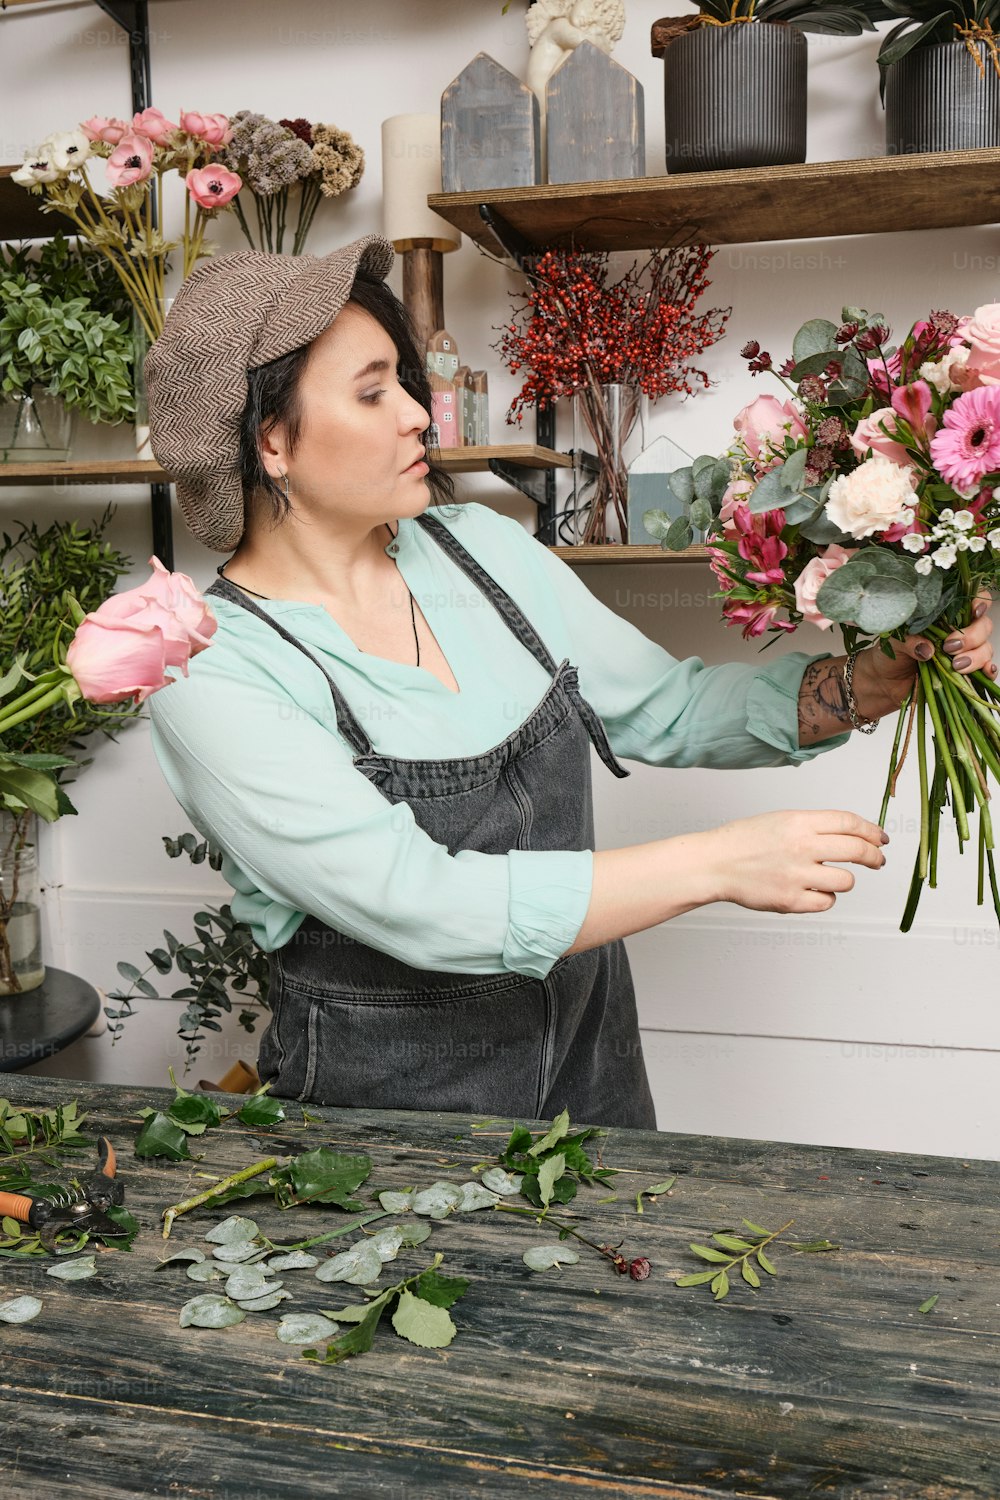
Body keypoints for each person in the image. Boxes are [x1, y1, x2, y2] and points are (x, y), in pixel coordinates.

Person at [144, 235, 995, 1131]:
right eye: (371, 392)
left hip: (595, 1073)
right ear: (271, 441)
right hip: (387, 1125)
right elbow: (422, 903)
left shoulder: (481, 549)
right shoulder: (215, 668)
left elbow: (670, 708)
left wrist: (870, 678)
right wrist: (716, 863)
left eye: (403, 380)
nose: (416, 414)